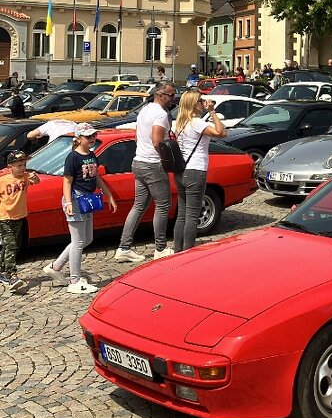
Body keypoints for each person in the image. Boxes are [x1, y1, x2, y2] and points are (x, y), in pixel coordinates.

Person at [42, 124, 117, 294]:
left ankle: (56, 266)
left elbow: (96, 176)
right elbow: (67, 181)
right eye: (87, 136)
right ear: (79, 139)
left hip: (87, 201)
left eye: (93, 135)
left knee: (87, 239)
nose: (91, 139)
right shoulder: (73, 157)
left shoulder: (91, 155)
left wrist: (109, 195)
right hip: (75, 200)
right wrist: (68, 203)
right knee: (78, 241)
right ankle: (75, 280)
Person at [115, 81, 176, 262]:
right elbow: (157, 141)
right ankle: (160, 248)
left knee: (139, 205)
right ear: (160, 94)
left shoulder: (145, 109)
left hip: (139, 161)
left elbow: (137, 136)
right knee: (163, 205)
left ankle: (124, 247)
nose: (173, 99)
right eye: (171, 95)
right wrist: (167, 159)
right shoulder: (160, 114)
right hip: (152, 163)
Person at [173, 90, 226, 252]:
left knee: (182, 213)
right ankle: (187, 250)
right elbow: (221, 132)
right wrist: (212, 111)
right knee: (192, 215)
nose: (202, 103)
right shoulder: (196, 123)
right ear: (193, 104)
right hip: (195, 170)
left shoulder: (180, 123)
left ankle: (178, 249)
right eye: (200, 101)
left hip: (181, 171)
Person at [0, 151, 39, 293]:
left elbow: (36, 181)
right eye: (19, 165)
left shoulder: (25, 178)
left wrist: (35, 177)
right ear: (10, 166)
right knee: (11, 246)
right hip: (5, 218)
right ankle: (12, 275)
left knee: (9, 244)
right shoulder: (3, 181)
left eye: (24, 164)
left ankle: (2, 270)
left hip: (20, 216)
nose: (23, 168)